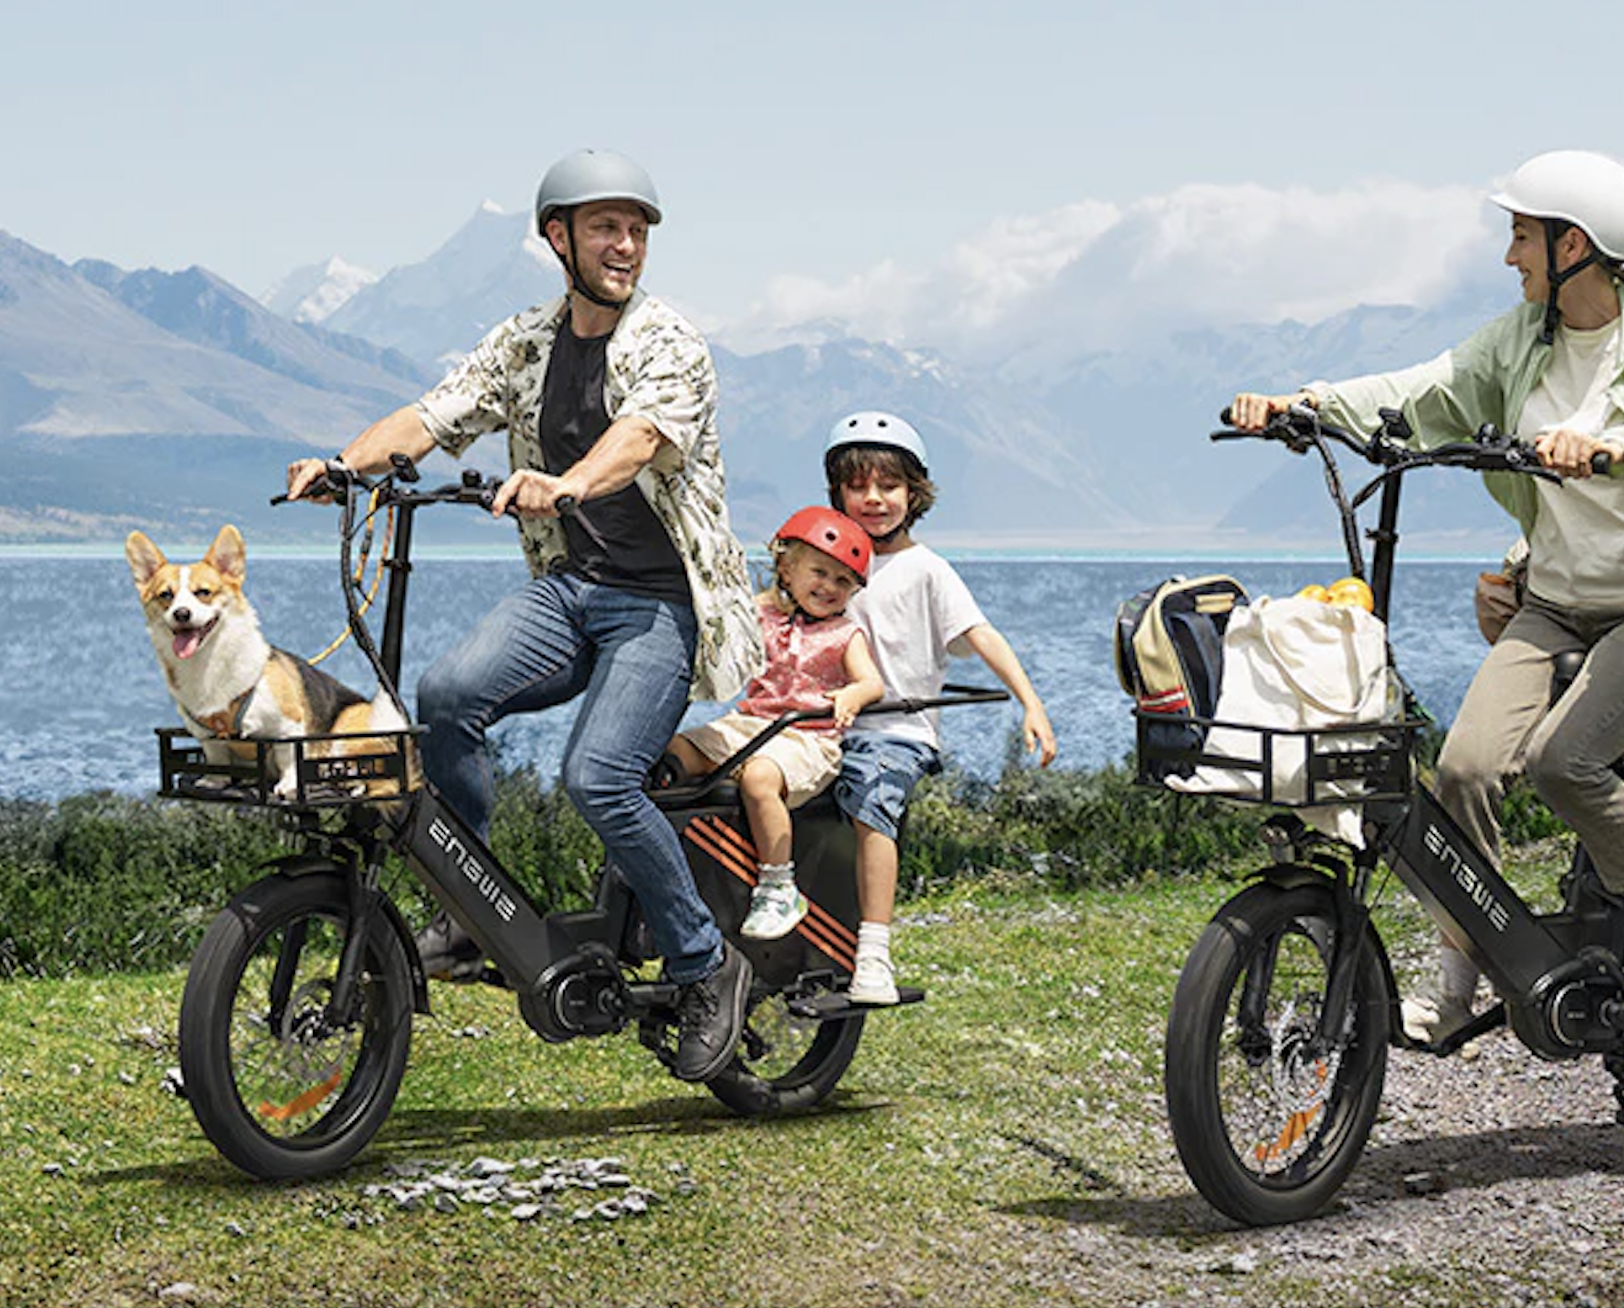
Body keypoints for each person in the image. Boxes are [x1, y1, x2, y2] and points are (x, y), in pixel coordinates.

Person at [1228, 150, 1624, 1040]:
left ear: (1576, 245)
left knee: (1565, 761)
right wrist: (1307, 404)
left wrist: (1613, 447)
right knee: (1461, 771)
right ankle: (1465, 958)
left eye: (1523, 236)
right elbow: (1423, 390)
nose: (1510, 256)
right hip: (1552, 606)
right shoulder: (1519, 340)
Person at [286, 148, 764, 1083]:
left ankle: (709, 964)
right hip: (573, 590)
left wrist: (567, 483)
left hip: (660, 605)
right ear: (559, 238)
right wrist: (342, 464)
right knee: (446, 691)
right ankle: (467, 918)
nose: (625, 245)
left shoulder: (671, 343)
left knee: (599, 777)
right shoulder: (525, 343)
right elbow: (433, 416)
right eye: (604, 228)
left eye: (636, 230)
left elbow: (638, 441)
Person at [822, 411, 1058, 1004]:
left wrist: (1030, 703)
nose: (873, 498)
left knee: (873, 795)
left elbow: (980, 634)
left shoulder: (927, 569)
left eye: (889, 485)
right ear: (838, 493)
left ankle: (873, 952)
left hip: (897, 729)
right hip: (826, 724)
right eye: (857, 486)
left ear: (914, 493)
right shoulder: (825, 561)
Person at [664, 506, 884, 939]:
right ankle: (670, 868)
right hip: (752, 724)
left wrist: (852, 694)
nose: (829, 587)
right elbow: (721, 620)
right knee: (673, 754)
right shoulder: (760, 613)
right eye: (819, 572)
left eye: (843, 581)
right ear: (786, 567)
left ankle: (779, 885)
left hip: (807, 739)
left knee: (760, 779)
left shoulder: (844, 634)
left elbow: (872, 682)